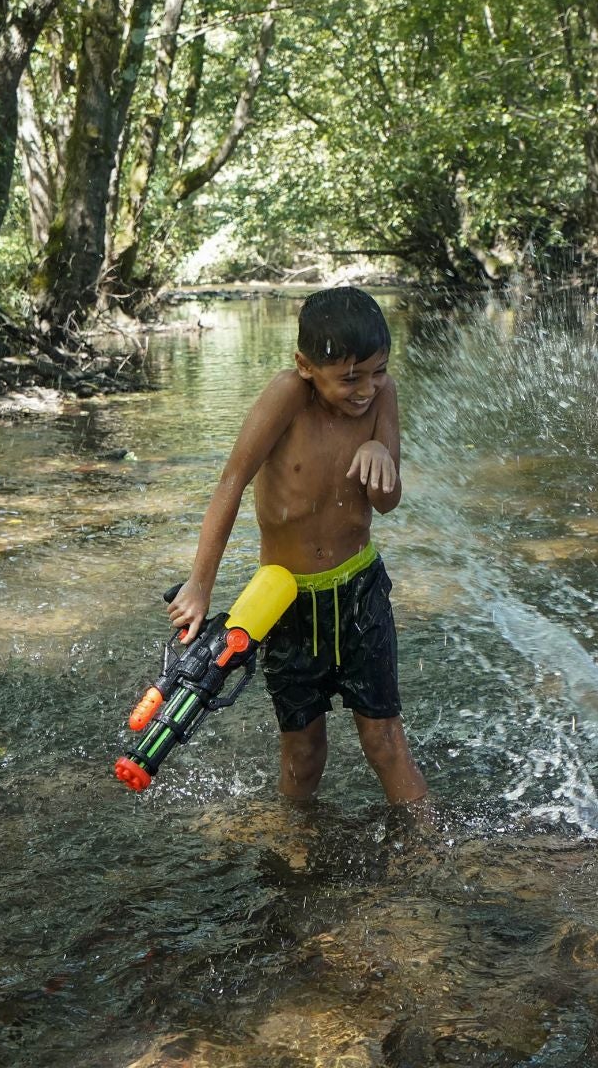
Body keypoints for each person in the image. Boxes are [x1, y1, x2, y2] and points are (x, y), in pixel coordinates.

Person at [168, 287, 427, 805]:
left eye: (377, 371)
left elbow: (387, 502)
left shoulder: (384, 395)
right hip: (286, 603)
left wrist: (379, 452)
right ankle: (295, 855)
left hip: (360, 592)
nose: (366, 390)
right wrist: (200, 585)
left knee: (385, 742)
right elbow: (231, 483)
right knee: (304, 753)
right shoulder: (287, 395)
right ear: (306, 366)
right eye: (349, 378)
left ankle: (426, 856)